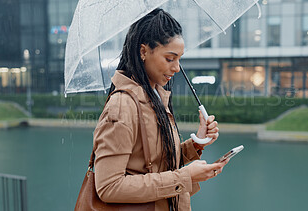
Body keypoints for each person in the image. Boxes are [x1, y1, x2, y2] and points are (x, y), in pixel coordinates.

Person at [93, 8, 228, 211]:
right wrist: (186, 176)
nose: (176, 67)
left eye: (179, 59)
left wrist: (197, 144)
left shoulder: (155, 96)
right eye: (170, 58)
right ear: (144, 51)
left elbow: (156, 162)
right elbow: (109, 186)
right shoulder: (123, 105)